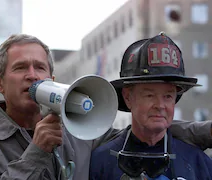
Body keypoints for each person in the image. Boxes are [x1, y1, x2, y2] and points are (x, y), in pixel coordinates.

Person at [0, 34, 211, 180]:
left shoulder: (79, 133)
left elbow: (145, 131)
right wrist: (36, 153)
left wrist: (204, 132)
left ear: (52, 80)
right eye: (20, 68)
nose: (32, 76)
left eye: (40, 68)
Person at [89, 32, 212, 180]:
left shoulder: (198, 163)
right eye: (150, 95)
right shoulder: (101, 162)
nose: (160, 105)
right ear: (128, 97)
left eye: (167, 96)